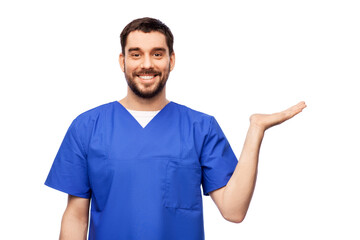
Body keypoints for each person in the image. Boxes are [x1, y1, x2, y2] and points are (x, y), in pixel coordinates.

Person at [45, 17, 306, 240]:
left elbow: (233, 210)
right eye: (136, 54)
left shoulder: (200, 127)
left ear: (171, 60)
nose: (146, 64)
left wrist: (255, 131)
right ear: (122, 61)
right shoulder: (87, 126)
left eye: (157, 54)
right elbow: (76, 216)